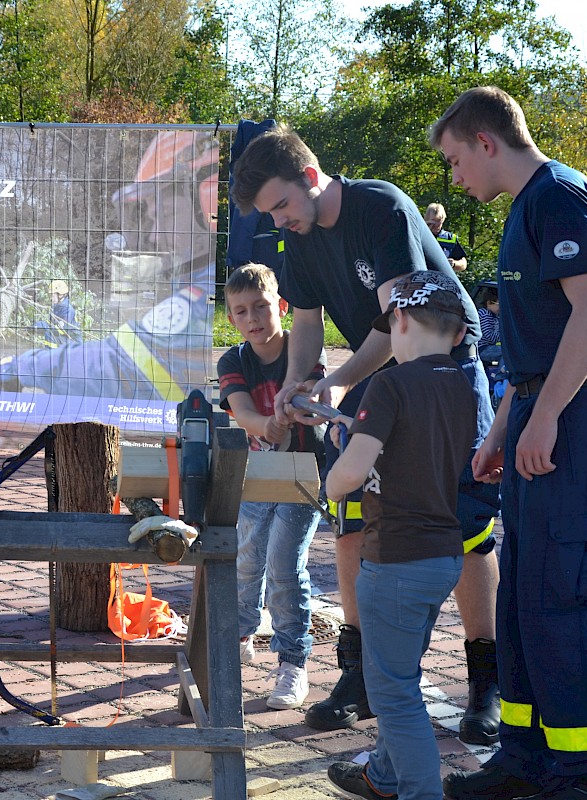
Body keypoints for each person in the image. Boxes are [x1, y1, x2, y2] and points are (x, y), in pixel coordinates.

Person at [231, 123, 502, 745]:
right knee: (350, 517)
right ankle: (355, 676)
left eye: (281, 206)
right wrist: (300, 382)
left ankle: (486, 684)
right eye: (268, 214)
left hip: (444, 375)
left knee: (465, 526)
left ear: (309, 177)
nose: (279, 221)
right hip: (380, 380)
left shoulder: (381, 208)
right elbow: (305, 320)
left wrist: (339, 382)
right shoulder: (294, 238)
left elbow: (401, 326)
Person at [431, 85, 587, 800]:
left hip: (584, 419)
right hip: (543, 412)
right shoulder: (525, 206)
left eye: (457, 160)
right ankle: (523, 760)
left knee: (573, 592)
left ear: (486, 142)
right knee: (526, 595)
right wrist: (501, 431)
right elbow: (533, 347)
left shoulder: (560, 194)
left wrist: (545, 415)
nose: (455, 177)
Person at [322, 271, 476, 800]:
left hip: (393, 560)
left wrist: (335, 474)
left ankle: (417, 791)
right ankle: (386, 777)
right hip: (442, 556)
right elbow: (414, 449)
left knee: (393, 694)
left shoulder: (389, 383)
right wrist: (361, 434)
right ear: (457, 333)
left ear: (401, 319)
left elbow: (349, 476)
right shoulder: (462, 383)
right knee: (401, 672)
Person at [0, 130, 218, 400]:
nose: (155, 236)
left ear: (207, 201)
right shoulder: (204, 284)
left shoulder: (200, 300)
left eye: (166, 214)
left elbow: (115, 364)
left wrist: (17, 368)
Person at [217, 263, 326, 710]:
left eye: (261, 306)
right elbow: (241, 411)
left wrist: (300, 408)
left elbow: (318, 398)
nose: (253, 319)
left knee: (284, 566)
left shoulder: (302, 353)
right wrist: (267, 424)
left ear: (281, 305)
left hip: (302, 474)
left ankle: (292, 661)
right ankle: (243, 632)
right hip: (255, 474)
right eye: (241, 312)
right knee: (246, 558)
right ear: (231, 319)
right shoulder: (233, 360)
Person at [33, 279, 82, 345]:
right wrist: (35, 326)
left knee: (50, 334)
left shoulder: (68, 310)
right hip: (64, 338)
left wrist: (44, 327)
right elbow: (50, 322)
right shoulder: (56, 306)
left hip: (72, 341)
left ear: (60, 295)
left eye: (53, 295)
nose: (51, 298)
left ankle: (52, 354)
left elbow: (62, 330)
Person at [424, 202, 469, 272]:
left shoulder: (450, 238)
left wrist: (454, 264)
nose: (436, 225)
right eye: (433, 221)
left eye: (439, 221)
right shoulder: (419, 235)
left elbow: (463, 263)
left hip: (443, 278)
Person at [474, 280, 502, 364]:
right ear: (489, 303)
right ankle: (500, 375)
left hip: (490, 347)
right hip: (482, 349)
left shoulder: (496, 316)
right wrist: (505, 338)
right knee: (507, 352)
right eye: (499, 304)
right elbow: (489, 335)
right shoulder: (485, 314)